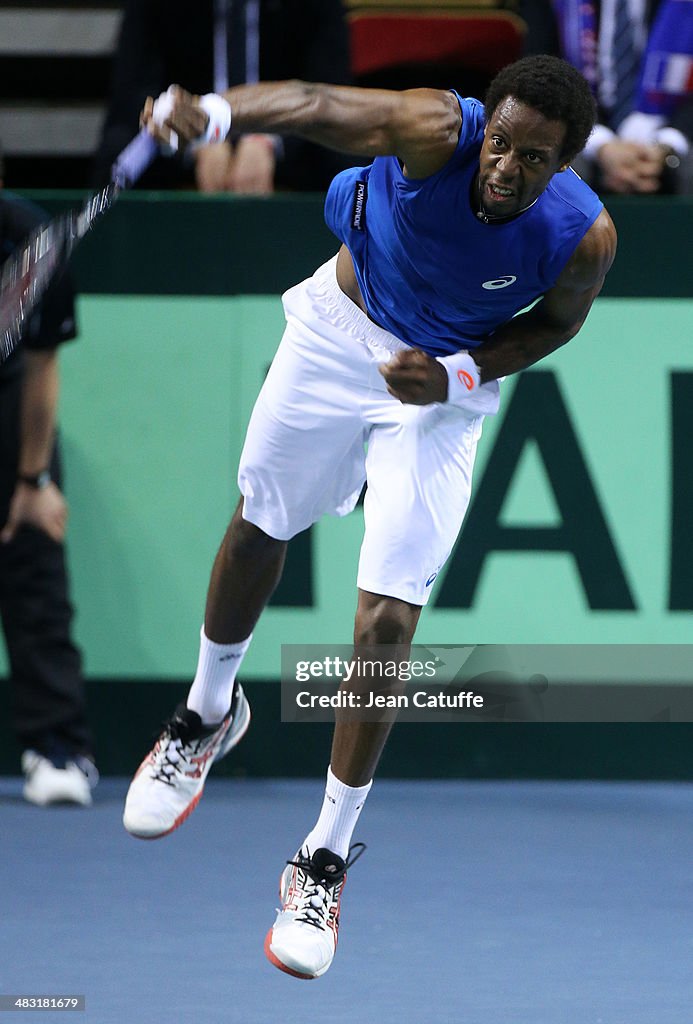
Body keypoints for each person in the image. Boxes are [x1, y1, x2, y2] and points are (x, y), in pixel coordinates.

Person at [122, 56, 616, 978]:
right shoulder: (436, 130)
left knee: (388, 618)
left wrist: (459, 375)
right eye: (499, 143)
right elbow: (313, 104)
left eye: (532, 157)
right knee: (259, 528)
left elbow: (555, 326)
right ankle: (203, 715)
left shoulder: (582, 239)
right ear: (484, 126)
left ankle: (322, 856)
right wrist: (217, 113)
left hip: (437, 387)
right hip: (340, 332)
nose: (504, 167)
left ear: (566, 164)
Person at [0, 150, 98, 807]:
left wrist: (32, 482)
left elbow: (39, 368)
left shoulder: (33, 244)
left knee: (34, 564)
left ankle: (58, 748)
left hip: (8, 398)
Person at [91, 0, 352, 193]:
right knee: (117, 152)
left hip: (291, 142)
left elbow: (331, 93)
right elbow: (133, 96)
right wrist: (195, 143)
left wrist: (271, 142)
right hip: (182, 146)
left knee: (349, 161)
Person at [521, 0, 693, 193]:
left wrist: (666, 145)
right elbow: (541, 75)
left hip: (675, 126)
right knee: (559, 170)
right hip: (581, 127)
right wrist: (601, 145)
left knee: (688, 169)